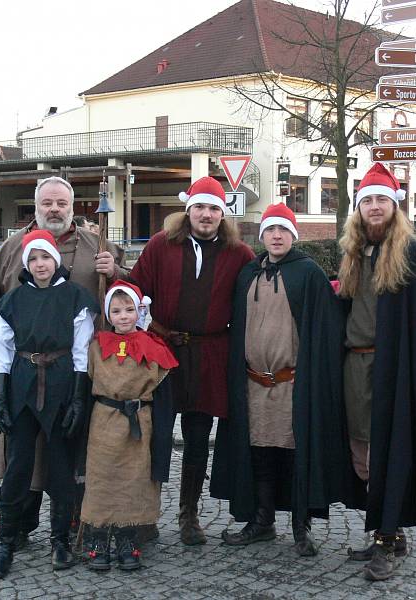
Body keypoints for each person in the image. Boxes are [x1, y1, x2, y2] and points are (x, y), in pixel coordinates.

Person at [0, 176, 127, 550]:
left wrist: (116, 271)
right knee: (21, 449)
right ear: (36, 206)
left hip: (77, 371)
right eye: (47, 203)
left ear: (73, 207)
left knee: (68, 446)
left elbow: (125, 300)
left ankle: (70, 520)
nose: (54, 209)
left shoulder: (98, 246)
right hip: (24, 372)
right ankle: (19, 521)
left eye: (61, 203)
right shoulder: (11, 250)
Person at [339, 163, 416, 581]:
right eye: (367, 201)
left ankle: (387, 539)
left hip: (393, 373)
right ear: (358, 209)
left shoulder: (409, 254)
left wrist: (415, 364)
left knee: (387, 455)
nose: (374, 207)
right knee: (362, 457)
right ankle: (390, 531)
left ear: (395, 207)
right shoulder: (355, 254)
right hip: (357, 367)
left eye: (382, 201)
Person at [211, 204, 350, 557]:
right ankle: (262, 521)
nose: (276, 236)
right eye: (271, 230)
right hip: (253, 384)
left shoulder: (308, 273)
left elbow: (326, 327)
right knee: (259, 455)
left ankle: (300, 527)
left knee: (295, 454)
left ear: (293, 235)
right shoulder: (247, 274)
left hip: (294, 384)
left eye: (283, 231)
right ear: (262, 236)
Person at [129, 176, 254, 545]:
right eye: (200, 207)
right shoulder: (160, 245)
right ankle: (145, 515)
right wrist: (149, 325)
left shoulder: (238, 253)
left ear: (223, 214)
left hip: (210, 355)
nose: (206, 214)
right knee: (155, 436)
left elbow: (256, 297)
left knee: (199, 440)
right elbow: (135, 291)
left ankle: (189, 515)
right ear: (188, 210)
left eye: (214, 208)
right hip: (163, 354)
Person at [0, 230, 96, 578]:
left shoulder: (76, 297)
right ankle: (5, 543)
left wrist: (79, 397)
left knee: (61, 465)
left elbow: (82, 352)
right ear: (26, 264)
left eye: (45, 257)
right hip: (22, 385)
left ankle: (60, 541)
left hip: (62, 383)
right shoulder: (13, 301)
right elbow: (0, 352)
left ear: (55, 260)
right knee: (18, 464)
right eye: (33, 259)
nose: (40, 264)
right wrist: (0, 399)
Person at [80, 280, 178, 571]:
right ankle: (98, 537)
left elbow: (164, 398)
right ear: (108, 315)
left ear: (139, 312)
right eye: (116, 310)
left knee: (134, 482)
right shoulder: (96, 346)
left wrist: (162, 436)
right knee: (101, 479)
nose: (123, 316)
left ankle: (127, 537)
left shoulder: (154, 347)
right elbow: (84, 389)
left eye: (129, 310)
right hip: (103, 424)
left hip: (139, 425)